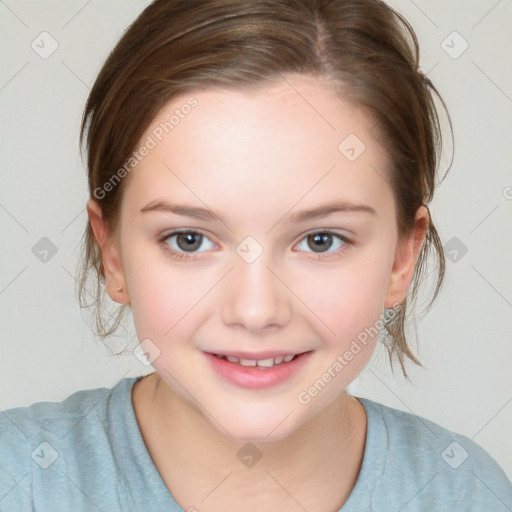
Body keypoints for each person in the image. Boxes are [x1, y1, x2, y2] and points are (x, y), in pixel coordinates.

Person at [1, 0, 511, 510]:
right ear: (111, 252)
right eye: (189, 240)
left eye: (320, 240)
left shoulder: (465, 492)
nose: (255, 311)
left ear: (403, 257)